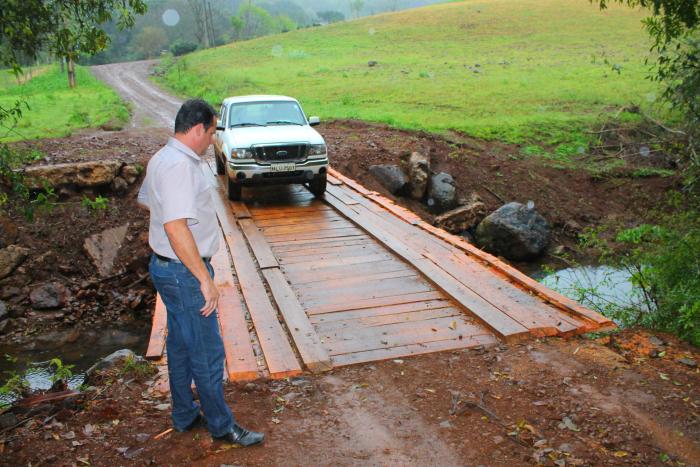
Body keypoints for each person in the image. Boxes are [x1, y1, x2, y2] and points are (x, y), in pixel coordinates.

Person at [137, 99, 264, 447]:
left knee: (179, 345)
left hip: (166, 268)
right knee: (207, 352)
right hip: (184, 272)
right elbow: (177, 227)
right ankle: (222, 426)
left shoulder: (163, 158)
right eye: (211, 132)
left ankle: (184, 414)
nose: (212, 140)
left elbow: (147, 201)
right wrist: (204, 279)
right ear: (197, 130)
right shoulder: (180, 166)